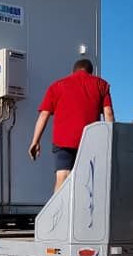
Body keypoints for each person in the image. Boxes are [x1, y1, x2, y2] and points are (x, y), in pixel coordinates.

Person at [28, 59, 114, 192]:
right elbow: (108, 113)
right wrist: (112, 140)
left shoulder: (57, 86)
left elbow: (44, 115)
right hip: (89, 140)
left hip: (63, 141)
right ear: (91, 72)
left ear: (72, 72)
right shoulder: (100, 84)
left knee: (62, 176)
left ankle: (60, 212)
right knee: (87, 180)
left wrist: (35, 141)